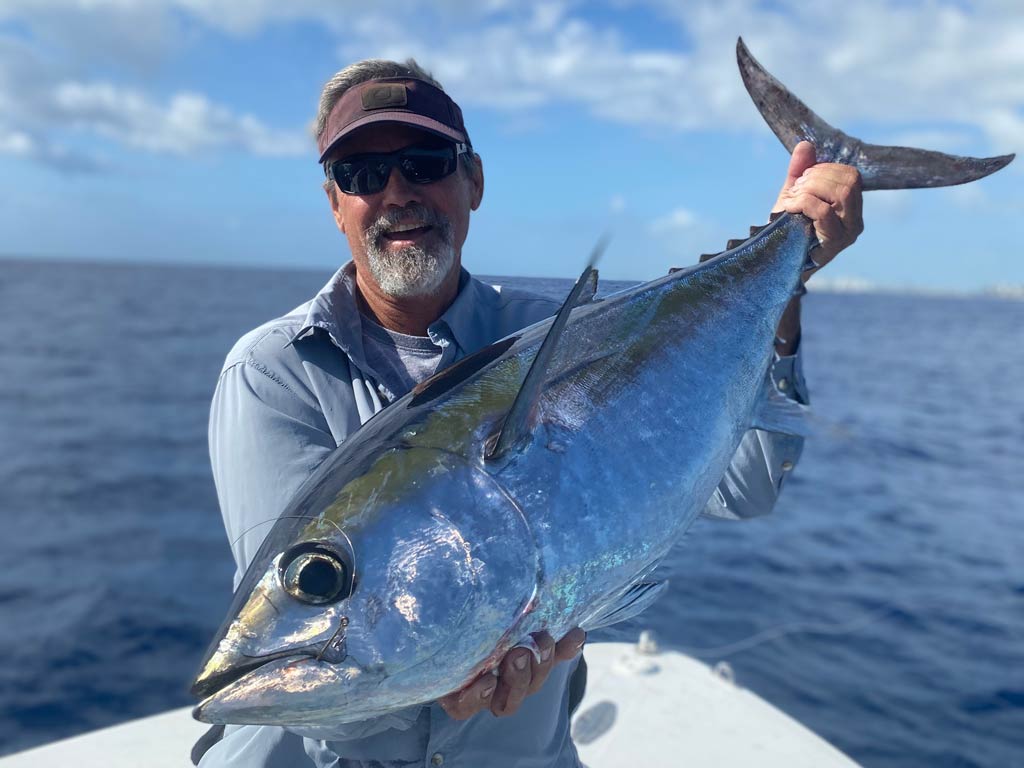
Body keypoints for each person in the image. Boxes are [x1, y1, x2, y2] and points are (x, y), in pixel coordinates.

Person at [196, 58, 863, 768]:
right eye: (362, 174)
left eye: (424, 163)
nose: (397, 193)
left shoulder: (572, 339)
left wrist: (793, 270)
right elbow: (329, 697)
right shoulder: (272, 371)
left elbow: (747, 487)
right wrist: (448, 665)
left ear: (473, 182)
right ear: (335, 202)